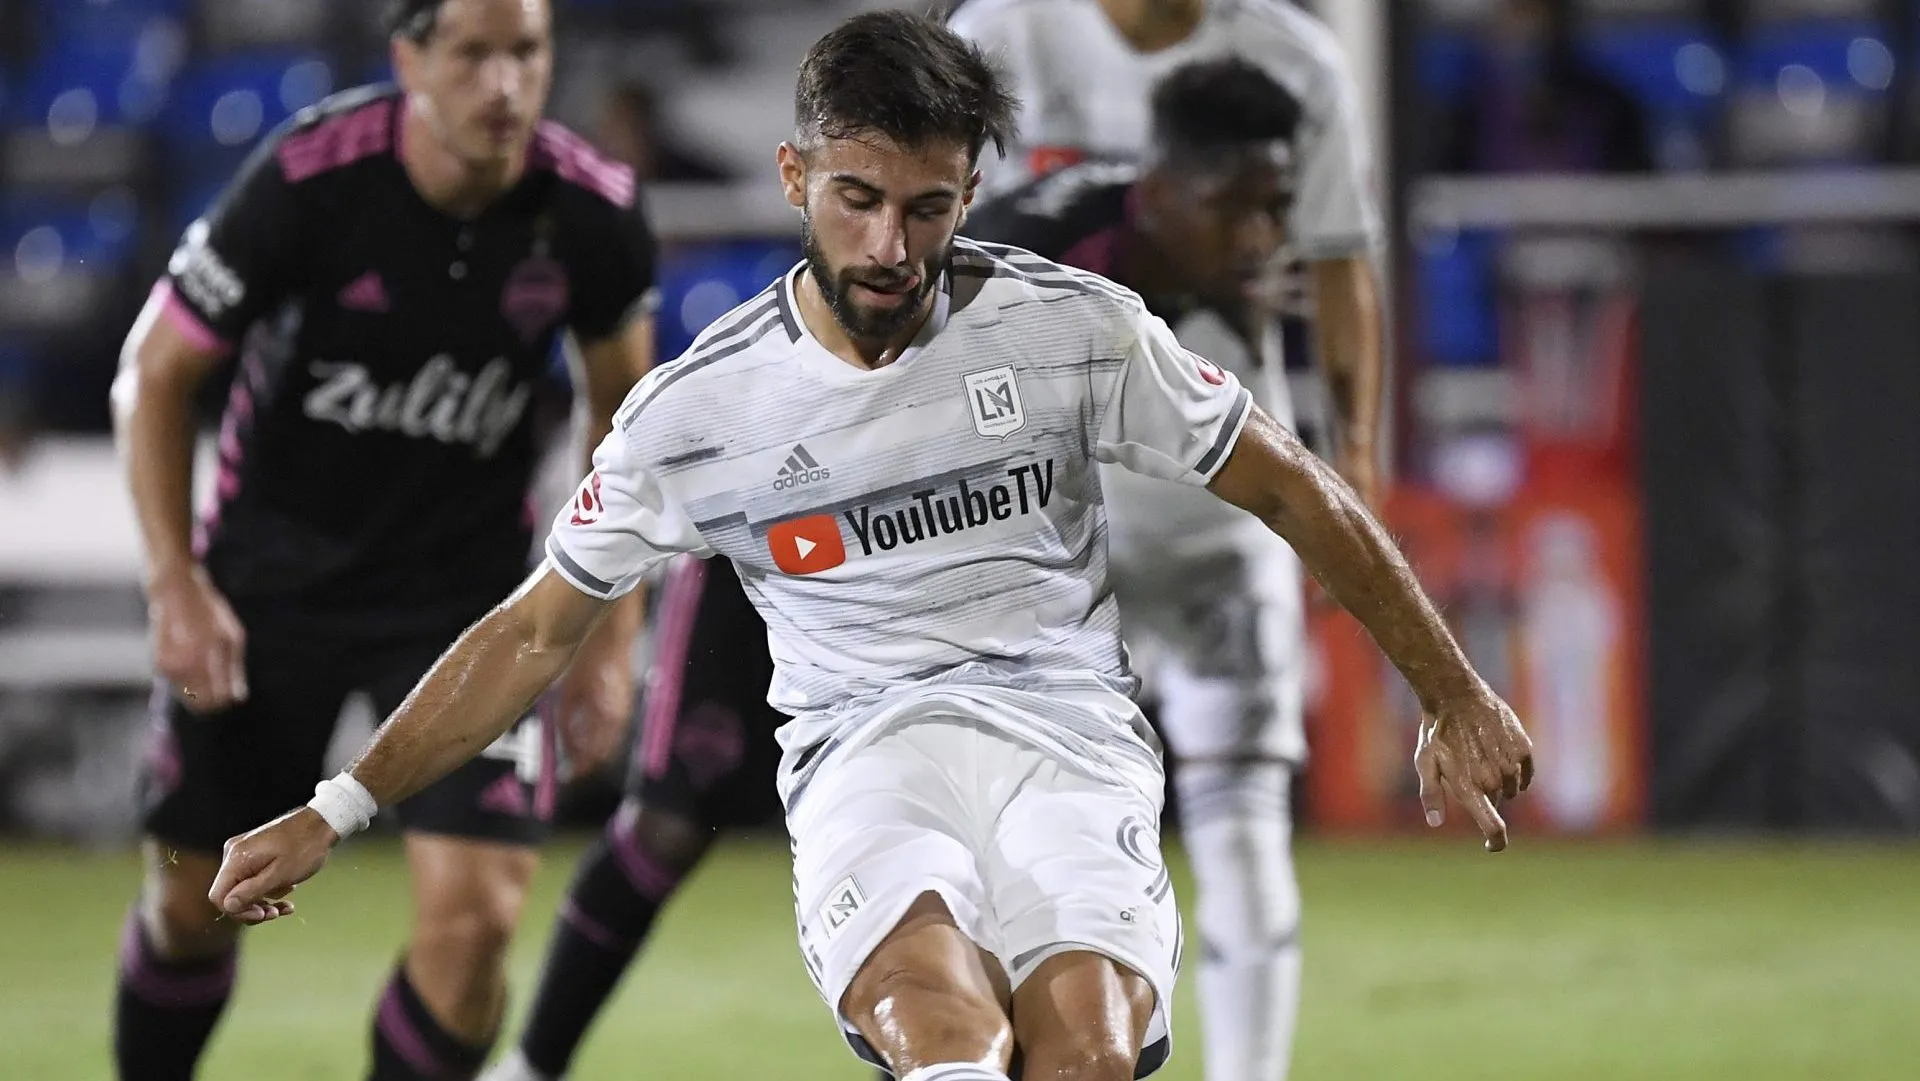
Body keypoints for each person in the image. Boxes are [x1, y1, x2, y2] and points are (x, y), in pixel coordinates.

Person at [206, 12, 1535, 1081]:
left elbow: (1295, 487)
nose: (892, 246)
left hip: (1069, 750)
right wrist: (342, 803)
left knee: (1084, 1051)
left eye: (930, 206)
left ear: (974, 190)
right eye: (857, 200)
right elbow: (532, 630)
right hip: (867, 762)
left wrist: (1455, 690)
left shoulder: (1076, 327)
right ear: (796, 177)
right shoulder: (698, 410)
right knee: (946, 1041)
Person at [108, 0, 657, 1077]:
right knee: (194, 901)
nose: (502, 83)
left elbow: (628, 438)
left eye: (526, 54)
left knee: (479, 925)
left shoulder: (592, 215)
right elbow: (155, 375)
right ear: (410, 57)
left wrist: (611, 635)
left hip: (464, 607)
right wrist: (175, 583)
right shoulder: (311, 178)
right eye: (472, 54)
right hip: (267, 592)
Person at [961, 54, 1308, 1081]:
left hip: (1215, 553)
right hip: (1077, 572)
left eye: (1275, 207)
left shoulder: (1240, 249)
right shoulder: (1032, 253)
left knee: (1245, 833)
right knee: (1027, 853)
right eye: (1232, 208)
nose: (1259, 237)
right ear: (1161, 188)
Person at [947, 0, 1386, 510]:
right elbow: (936, 241)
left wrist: (1355, 453)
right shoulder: (991, 38)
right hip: (1040, 485)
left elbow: (1338, 262)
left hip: (1226, 493)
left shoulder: (1299, 60)